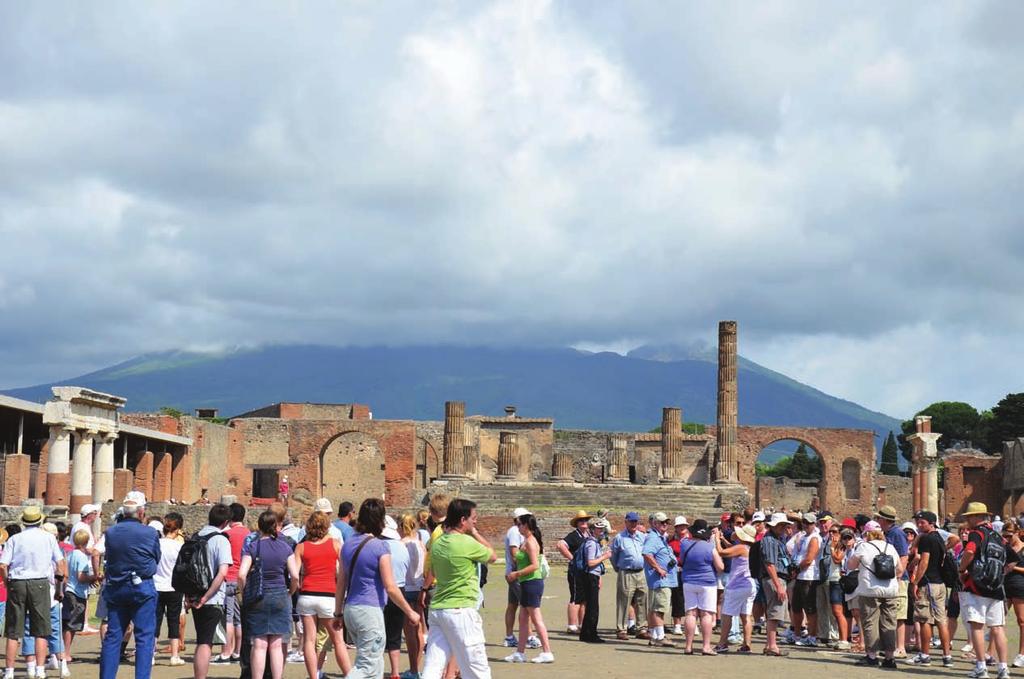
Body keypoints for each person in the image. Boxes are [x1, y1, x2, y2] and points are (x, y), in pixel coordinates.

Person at [333, 499, 420, 679]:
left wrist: (338, 613)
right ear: (381, 520)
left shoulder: (348, 545)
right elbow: (390, 586)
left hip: (351, 609)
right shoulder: (381, 546)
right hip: (369, 611)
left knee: (375, 664)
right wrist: (409, 611)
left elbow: (341, 583)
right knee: (367, 665)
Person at [419, 498, 495, 679]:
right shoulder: (465, 543)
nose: (475, 521)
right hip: (460, 610)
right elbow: (492, 555)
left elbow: (433, 571)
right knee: (477, 666)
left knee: (433, 664)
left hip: (438, 609)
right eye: (473, 518)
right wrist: (475, 532)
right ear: (463, 520)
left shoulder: (437, 543)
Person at [95, 498, 159, 679]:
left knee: (113, 636)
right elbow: (156, 556)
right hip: (142, 586)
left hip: (117, 585)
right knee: (144, 637)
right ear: (140, 513)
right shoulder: (150, 532)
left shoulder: (111, 532)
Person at [1, 506, 66, 679]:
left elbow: (3, 564)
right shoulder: (48, 538)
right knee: (41, 629)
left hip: (17, 582)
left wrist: (7, 581)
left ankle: (9, 671)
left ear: (24, 521)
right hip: (39, 582)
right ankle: (39, 669)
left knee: (14, 630)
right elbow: (60, 564)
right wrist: (59, 588)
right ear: (40, 521)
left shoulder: (15, 538)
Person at [237, 510, 300, 679]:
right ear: (276, 526)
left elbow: (241, 574)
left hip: (259, 595)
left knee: (259, 644)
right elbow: (294, 575)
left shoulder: (253, 546)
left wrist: (244, 592)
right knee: (277, 644)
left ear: (259, 526)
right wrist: (290, 592)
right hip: (280, 593)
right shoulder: (285, 547)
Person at [295, 511, 350, 679]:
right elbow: (344, 572)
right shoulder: (335, 544)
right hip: (328, 595)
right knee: (338, 640)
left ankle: (313, 676)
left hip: (307, 594)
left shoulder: (301, 547)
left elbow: (295, 575)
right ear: (326, 526)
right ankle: (349, 674)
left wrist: (298, 589)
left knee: (309, 641)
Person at [958, 502, 1010, 679]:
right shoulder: (999, 536)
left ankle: (981, 668)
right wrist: (1000, 574)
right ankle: (1003, 669)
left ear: (976, 517)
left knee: (977, 627)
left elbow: (970, 551)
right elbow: (1013, 559)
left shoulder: (976, 533)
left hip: (977, 586)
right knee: (997, 628)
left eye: (969, 517)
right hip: (996, 587)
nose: (967, 520)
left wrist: (962, 569)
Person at [188, 503, 233, 679]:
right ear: (226, 522)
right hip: (211, 597)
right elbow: (222, 573)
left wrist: (190, 596)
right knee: (205, 642)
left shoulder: (196, 536)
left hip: (195, 593)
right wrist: (206, 597)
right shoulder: (221, 540)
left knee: (202, 638)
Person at [849, 520, 902, 668]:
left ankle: (872, 656)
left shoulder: (863, 547)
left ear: (867, 534)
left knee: (870, 622)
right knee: (889, 623)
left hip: (870, 590)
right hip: (890, 590)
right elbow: (900, 569)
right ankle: (890, 658)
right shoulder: (890, 547)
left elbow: (850, 565)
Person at [503, 514, 553, 663]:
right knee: (523, 619)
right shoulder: (526, 541)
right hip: (526, 583)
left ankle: (547, 651)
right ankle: (520, 652)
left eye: (519, 524)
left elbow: (534, 565)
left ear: (526, 525)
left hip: (532, 582)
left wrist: (516, 574)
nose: (517, 527)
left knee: (536, 619)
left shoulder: (531, 542)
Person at [910, 510, 952, 667]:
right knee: (941, 621)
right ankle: (947, 656)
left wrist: (915, 582)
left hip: (928, 584)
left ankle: (925, 655)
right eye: (918, 522)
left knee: (924, 620)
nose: (919, 525)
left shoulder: (927, 539)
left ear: (932, 523)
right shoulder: (939, 538)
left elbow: (924, 562)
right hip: (940, 584)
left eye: (922, 522)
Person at [212, 502, 250, 665]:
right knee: (239, 619)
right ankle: (237, 652)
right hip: (243, 579)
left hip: (229, 578)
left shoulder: (226, 534)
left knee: (227, 618)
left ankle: (226, 653)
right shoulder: (249, 533)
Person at [679, 519, 723, 655]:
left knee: (690, 614)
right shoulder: (710, 547)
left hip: (689, 581)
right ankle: (706, 646)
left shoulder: (685, 545)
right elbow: (720, 567)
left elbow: (681, 560)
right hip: (707, 583)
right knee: (706, 614)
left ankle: (688, 646)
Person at [715, 524, 757, 653]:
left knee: (727, 614)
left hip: (737, 585)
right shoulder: (748, 548)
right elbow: (732, 549)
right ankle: (747, 644)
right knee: (746, 616)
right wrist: (723, 540)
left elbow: (722, 552)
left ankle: (722, 643)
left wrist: (716, 539)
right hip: (749, 585)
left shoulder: (741, 547)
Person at [874, 506, 910, 657]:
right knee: (889, 614)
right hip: (889, 577)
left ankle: (900, 647)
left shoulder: (897, 533)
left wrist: (898, 575)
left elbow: (904, 556)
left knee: (899, 614)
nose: (877, 521)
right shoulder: (887, 533)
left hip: (898, 579)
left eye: (879, 518)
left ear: (884, 520)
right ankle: (890, 645)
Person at [60, 529, 96, 676]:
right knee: (72, 625)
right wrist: (93, 578)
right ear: (86, 542)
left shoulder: (70, 554)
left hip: (69, 589)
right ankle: (66, 653)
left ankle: (64, 651)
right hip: (77, 592)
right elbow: (81, 576)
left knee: (68, 623)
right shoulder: (81, 557)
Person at [609, 511, 649, 640]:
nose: (633, 524)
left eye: (635, 521)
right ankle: (621, 629)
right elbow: (613, 556)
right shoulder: (619, 538)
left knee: (642, 600)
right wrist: (619, 568)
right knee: (624, 601)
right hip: (626, 572)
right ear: (626, 522)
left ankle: (641, 628)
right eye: (631, 521)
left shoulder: (642, 537)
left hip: (641, 572)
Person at [153, 513, 185, 667]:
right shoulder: (179, 546)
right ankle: (174, 655)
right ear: (178, 529)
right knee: (173, 621)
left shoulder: (156, 544)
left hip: (156, 585)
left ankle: (150, 654)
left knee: (155, 621)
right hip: (174, 587)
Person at [641, 512, 678, 648]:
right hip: (661, 579)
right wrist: (658, 568)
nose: (665, 525)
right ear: (655, 523)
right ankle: (660, 636)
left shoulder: (659, 538)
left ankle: (656, 635)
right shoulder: (653, 538)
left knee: (656, 607)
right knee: (659, 608)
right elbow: (646, 553)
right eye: (662, 523)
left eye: (666, 523)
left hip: (662, 579)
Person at [502, 509, 537, 649]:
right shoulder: (515, 532)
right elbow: (515, 554)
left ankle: (509, 636)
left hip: (515, 573)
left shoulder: (517, 531)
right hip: (517, 574)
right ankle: (529, 636)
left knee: (513, 604)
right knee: (526, 606)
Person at [759, 512, 793, 657]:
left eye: (784, 525)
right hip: (775, 578)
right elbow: (770, 564)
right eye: (781, 525)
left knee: (774, 611)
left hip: (777, 577)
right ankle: (772, 645)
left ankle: (769, 645)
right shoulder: (770, 540)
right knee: (775, 612)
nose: (783, 527)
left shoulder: (777, 539)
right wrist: (778, 585)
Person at [382, 516, 411, 679]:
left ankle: (377, 669)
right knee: (395, 634)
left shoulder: (379, 546)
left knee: (378, 634)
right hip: (400, 590)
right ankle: (394, 671)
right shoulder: (402, 547)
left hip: (381, 591)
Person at [555, 511, 591, 634]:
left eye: (585, 520)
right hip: (576, 571)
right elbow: (560, 545)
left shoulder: (588, 534)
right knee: (576, 598)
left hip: (586, 571)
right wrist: (573, 559)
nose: (584, 522)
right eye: (581, 520)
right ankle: (572, 625)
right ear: (577, 523)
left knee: (585, 599)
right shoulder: (574, 535)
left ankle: (582, 624)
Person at [400, 513, 427, 679]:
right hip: (419, 587)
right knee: (419, 629)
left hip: (406, 588)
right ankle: (416, 667)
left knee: (409, 631)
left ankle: (413, 669)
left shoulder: (401, 544)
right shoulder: (421, 544)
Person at [790, 513, 822, 647]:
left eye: (809, 523)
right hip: (800, 576)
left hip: (809, 576)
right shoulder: (803, 537)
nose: (806, 525)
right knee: (796, 607)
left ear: (814, 524)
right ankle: (797, 634)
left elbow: (809, 559)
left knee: (810, 609)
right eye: (804, 522)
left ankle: (812, 636)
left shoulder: (815, 538)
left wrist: (796, 569)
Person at [577, 518, 611, 643]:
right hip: (590, 576)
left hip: (593, 576)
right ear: (592, 529)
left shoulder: (595, 542)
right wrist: (604, 557)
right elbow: (590, 562)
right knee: (593, 607)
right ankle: (591, 633)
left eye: (602, 528)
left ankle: (586, 633)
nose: (601, 530)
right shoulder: (591, 543)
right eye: (598, 528)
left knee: (591, 606)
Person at [1003, 519, 1024, 667]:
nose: (1007, 539)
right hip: (1005, 585)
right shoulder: (1005, 548)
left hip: (1020, 585)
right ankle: (990, 654)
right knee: (998, 620)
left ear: (1018, 533)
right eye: (1004, 536)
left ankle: (1021, 654)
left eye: (1010, 536)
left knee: (1022, 621)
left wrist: (1012, 567)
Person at [668, 517, 689, 636]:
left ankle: (691, 624)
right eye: (679, 526)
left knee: (690, 598)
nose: (682, 528)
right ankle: (677, 624)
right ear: (675, 528)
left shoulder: (691, 539)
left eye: (684, 526)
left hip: (689, 571)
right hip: (676, 571)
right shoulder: (671, 541)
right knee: (677, 598)